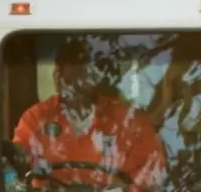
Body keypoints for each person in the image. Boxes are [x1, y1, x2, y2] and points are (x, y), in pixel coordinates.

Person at [13, 38, 167, 190]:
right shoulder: (36, 119)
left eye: (79, 81)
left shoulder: (129, 121)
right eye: (65, 79)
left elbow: (153, 175)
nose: (71, 88)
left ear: (94, 79)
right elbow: (15, 170)